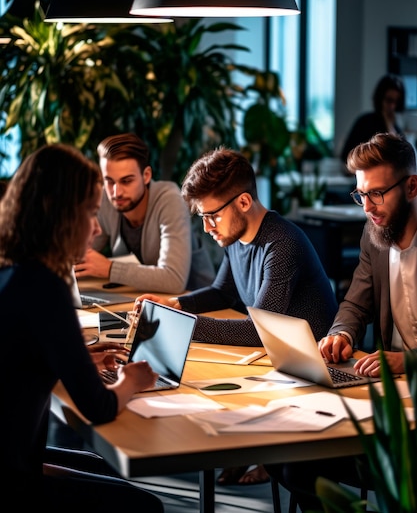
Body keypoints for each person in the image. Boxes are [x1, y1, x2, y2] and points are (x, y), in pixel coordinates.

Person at [138, 146, 338, 485]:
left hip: (318, 378)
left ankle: (264, 458)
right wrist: (177, 305)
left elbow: (259, 330)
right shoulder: (234, 238)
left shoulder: (282, 243)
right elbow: (222, 292)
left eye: (212, 215)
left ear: (243, 202)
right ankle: (253, 455)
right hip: (275, 369)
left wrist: (185, 326)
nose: (206, 227)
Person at [0, 143, 164, 510]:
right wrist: (133, 381)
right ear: (59, 214)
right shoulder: (46, 288)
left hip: (15, 456)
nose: (94, 228)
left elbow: (22, 356)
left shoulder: (12, 272)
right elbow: (101, 407)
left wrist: (80, 358)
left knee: (95, 464)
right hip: (14, 481)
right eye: (89, 212)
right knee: (145, 506)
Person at [266, 132, 417, 511]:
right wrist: (341, 333)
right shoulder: (374, 233)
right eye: (361, 194)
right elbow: (355, 300)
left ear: (413, 185)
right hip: (391, 399)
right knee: (291, 461)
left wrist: (408, 361)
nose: (367, 206)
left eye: (378, 193)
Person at [74, 132, 215, 292]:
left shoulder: (169, 199)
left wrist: (110, 269)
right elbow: (83, 253)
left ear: (146, 175)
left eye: (126, 181)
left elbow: (174, 280)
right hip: (141, 300)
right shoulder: (106, 199)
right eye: (109, 181)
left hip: (194, 306)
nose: (116, 192)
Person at [340, 73, 405, 166]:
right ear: (380, 99)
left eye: (396, 102)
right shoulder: (365, 123)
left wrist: (389, 124)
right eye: (389, 100)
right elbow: (346, 155)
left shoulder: (395, 127)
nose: (392, 106)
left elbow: (400, 159)